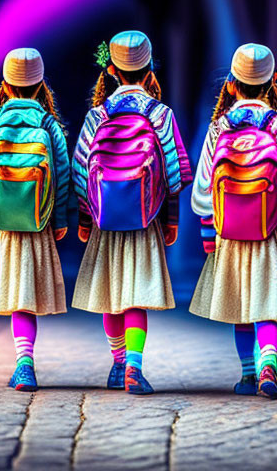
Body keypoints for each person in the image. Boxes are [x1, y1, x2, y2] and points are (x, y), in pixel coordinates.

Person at [71, 30, 192, 395]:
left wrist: (85, 217)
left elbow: (80, 171)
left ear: (110, 71)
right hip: (145, 217)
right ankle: (135, 368)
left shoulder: (97, 115)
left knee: (112, 295)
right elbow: (174, 173)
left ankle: (119, 361)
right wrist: (171, 219)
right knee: (137, 295)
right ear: (150, 69)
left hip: (105, 219)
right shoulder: (160, 113)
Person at [189, 43, 277, 400]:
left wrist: (209, 231)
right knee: (266, 304)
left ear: (232, 85)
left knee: (240, 305)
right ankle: (269, 363)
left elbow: (204, 184)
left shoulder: (220, 126)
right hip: (267, 229)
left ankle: (248, 375)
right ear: (272, 83)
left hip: (229, 231)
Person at [0, 48, 71, 392]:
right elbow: (64, 174)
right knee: (28, 295)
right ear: (41, 86)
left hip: (2, 224)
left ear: (6, 86)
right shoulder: (49, 125)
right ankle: (26, 362)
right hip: (38, 221)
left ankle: (24, 364)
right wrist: (61, 218)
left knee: (15, 299)